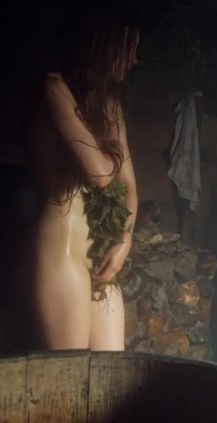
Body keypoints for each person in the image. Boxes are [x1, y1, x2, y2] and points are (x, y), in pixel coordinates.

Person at [23, 4, 140, 351]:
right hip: (60, 246)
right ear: (103, 43)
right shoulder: (54, 89)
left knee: (109, 368)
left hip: (98, 249)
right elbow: (100, 173)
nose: (135, 59)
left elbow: (129, 184)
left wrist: (125, 240)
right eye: (128, 48)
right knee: (72, 371)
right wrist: (113, 154)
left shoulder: (109, 105)